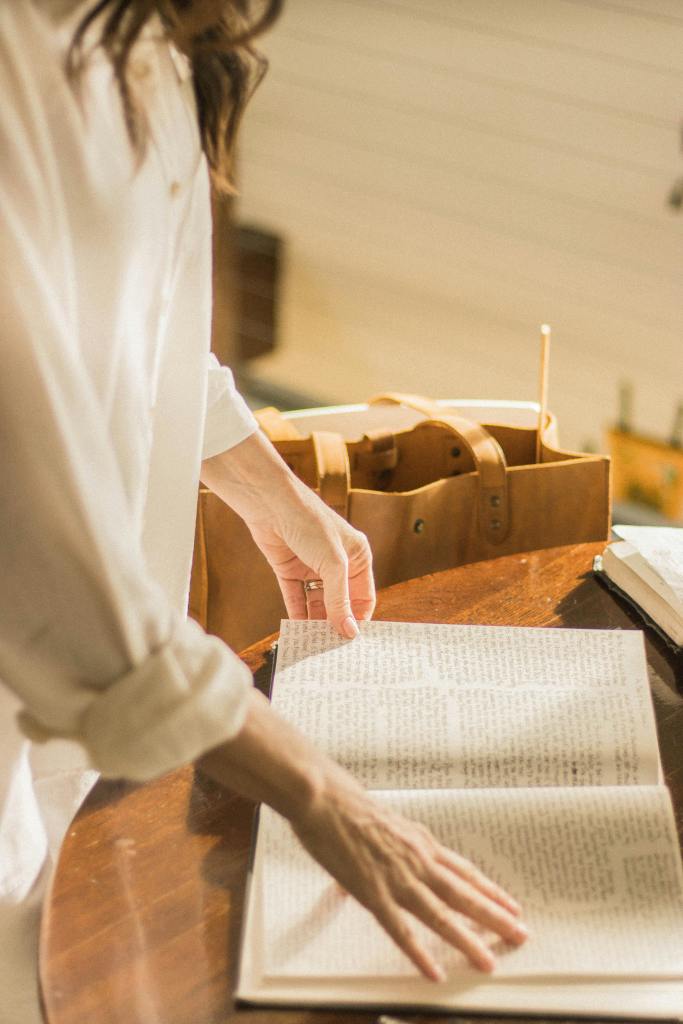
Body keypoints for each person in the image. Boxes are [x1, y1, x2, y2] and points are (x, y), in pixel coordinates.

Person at [0, 2, 528, 1020]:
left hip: (93, 675)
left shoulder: (153, 33)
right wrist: (322, 794)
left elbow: (113, 315)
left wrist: (261, 480)